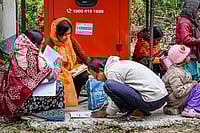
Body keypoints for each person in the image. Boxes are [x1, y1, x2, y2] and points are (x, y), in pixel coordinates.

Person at [0, 30, 64, 121]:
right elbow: (52, 76)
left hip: (10, 101)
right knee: (59, 85)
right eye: (41, 44)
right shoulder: (31, 58)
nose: (41, 47)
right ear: (34, 44)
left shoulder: (18, 50)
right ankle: (51, 114)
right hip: (21, 104)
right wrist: (58, 65)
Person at [88, 56, 168, 118]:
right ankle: (140, 109)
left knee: (109, 85)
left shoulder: (112, 72)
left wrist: (107, 112)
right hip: (161, 98)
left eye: (96, 75)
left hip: (151, 101)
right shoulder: (120, 64)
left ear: (101, 70)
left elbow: (118, 97)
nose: (96, 79)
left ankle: (136, 111)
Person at [43, 17, 89, 106]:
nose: (67, 37)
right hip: (57, 70)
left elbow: (82, 54)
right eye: (64, 34)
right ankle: (60, 100)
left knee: (83, 75)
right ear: (57, 33)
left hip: (71, 68)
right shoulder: (49, 43)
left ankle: (74, 98)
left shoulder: (71, 40)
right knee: (61, 79)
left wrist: (94, 66)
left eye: (69, 34)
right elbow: (45, 61)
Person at [162, 44, 200, 118]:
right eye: (188, 56)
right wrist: (192, 84)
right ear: (182, 59)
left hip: (178, 99)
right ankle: (190, 109)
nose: (190, 57)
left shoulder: (180, 69)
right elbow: (179, 92)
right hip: (176, 100)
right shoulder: (175, 73)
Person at [176, 0, 200, 80]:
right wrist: (198, 40)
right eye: (198, 11)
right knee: (190, 76)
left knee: (194, 75)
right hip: (187, 54)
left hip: (191, 54)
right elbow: (185, 38)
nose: (198, 13)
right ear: (192, 10)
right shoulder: (184, 22)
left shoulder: (190, 21)